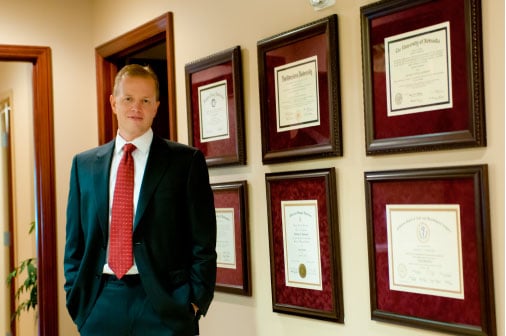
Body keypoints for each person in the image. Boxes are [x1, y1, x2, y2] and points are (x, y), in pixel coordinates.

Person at [64, 64, 217, 336]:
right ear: (113, 103)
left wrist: (194, 301)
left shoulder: (186, 162)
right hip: (100, 302)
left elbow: (203, 241)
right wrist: (76, 297)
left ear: (156, 106)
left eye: (146, 100)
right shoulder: (84, 165)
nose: (137, 107)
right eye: (128, 99)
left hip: (164, 305)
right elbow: (74, 242)